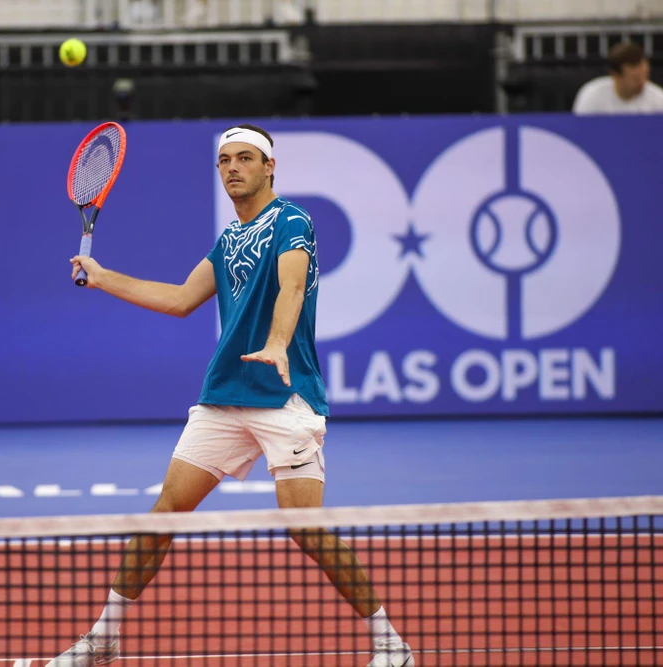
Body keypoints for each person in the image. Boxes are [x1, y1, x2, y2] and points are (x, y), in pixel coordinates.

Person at [52, 124, 414, 667]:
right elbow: (178, 300)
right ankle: (103, 640)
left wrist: (275, 344)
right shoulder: (228, 240)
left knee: (306, 530)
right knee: (164, 515)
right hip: (223, 398)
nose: (233, 168)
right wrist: (105, 278)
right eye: (224, 160)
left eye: (245, 158)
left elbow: (292, 286)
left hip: (285, 400)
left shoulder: (292, 221)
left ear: (270, 167)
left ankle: (391, 644)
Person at [573, 42, 663, 115]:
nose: (642, 82)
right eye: (635, 78)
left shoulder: (658, 99)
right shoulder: (592, 95)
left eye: (645, 76)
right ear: (615, 75)